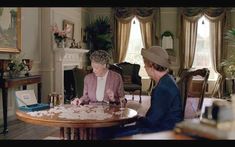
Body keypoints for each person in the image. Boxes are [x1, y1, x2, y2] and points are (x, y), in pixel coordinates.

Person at [111, 46, 183, 138]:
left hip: (163, 131)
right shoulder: (167, 80)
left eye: (145, 64)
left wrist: (136, 117)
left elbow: (152, 122)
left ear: (151, 65)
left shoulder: (162, 88)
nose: (144, 67)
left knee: (114, 134)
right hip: (164, 127)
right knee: (119, 130)